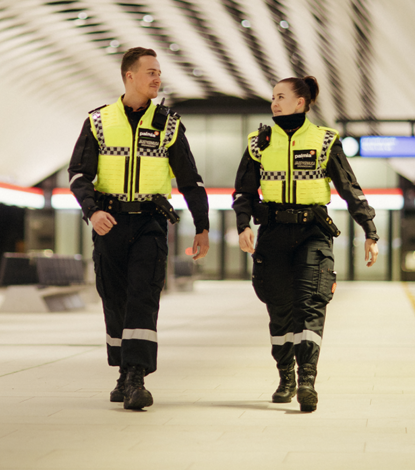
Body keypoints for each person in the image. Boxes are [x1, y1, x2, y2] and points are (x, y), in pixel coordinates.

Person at [68, 47, 210, 410]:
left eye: (158, 72)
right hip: (109, 223)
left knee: (143, 296)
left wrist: (202, 226)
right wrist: (92, 212)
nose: (157, 78)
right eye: (150, 72)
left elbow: (190, 180)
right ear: (129, 76)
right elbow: (80, 175)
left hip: (150, 221)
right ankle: (122, 369)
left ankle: (136, 377)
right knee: (113, 297)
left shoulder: (169, 124)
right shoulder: (99, 121)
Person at [232, 76, 378, 412]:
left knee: (311, 304)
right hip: (272, 235)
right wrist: (243, 225)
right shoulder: (259, 142)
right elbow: (243, 191)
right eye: (272, 97)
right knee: (280, 310)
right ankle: (286, 376)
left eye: (281, 96)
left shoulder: (325, 141)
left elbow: (349, 187)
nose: (274, 103)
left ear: (301, 102)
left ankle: (308, 379)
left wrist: (369, 229)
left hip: (313, 233)